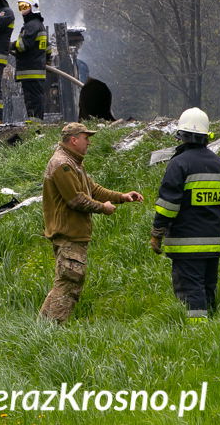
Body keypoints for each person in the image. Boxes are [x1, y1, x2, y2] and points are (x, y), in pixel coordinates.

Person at [40, 123, 144, 323]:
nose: (89, 142)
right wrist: (102, 208)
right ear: (74, 140)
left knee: (65, 281)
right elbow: (76, 199)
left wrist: (121, 196)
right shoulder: (63, 164)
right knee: (70, 283)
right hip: (68, 233)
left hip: (73, 233)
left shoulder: (73, 162)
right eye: (86, 138)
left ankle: (42, 328)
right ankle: (52, 330)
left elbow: (92, 189)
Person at [150, 107, 220, 322]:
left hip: (186, 243)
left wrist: (157, 232)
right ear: (207, 136)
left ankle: (195, 332)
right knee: (208, 287)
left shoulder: (179, 164)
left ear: (181, 135)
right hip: (213, 242)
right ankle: (211, 326)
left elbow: (168, 205)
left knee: (191, 290)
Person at [11, 0, 51, 122]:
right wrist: (46, 59)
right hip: (35, 70)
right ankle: (34, 123)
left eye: (25, 6)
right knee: (34, 99)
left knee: (33, 100)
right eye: (20, 7)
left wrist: (9, 45)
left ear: (33, 7)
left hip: (30, 70)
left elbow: (22, 46)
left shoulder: (31, 25)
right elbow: (48, 48)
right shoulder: (39, 25)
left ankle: (35, 126)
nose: (22, 10)